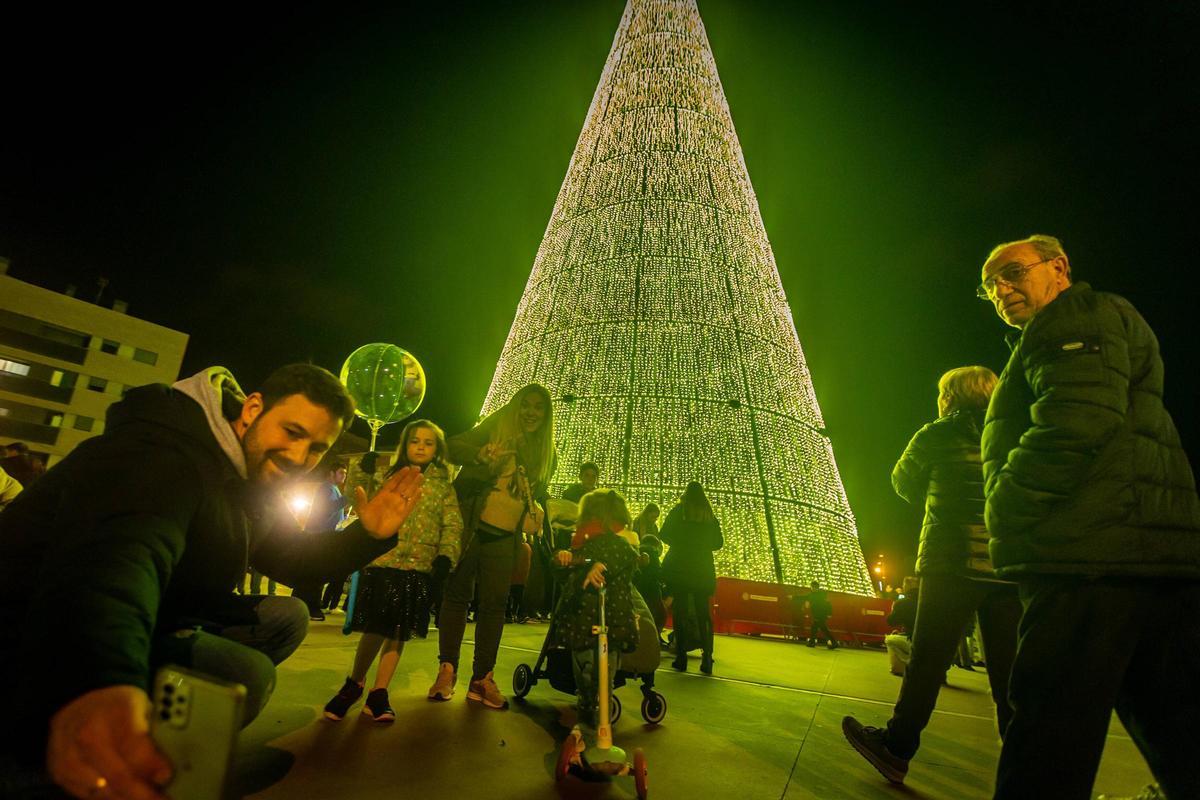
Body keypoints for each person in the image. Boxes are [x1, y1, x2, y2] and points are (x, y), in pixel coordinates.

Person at [0, 364, 424, 799]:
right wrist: (102, 681)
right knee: (244, 674)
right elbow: (116, 562)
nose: (299, 457)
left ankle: (144, 735)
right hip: (33, 630)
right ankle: (79, 757)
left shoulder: (244, 477)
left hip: (152, 613)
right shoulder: (162, 451)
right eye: (292, 431)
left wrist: (366, 536)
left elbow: (295, 560)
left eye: (316, 448)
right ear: (253, 408)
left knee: (287, 615)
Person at [972, 235, 1200, 799]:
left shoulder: (1071, 317)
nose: (1001, 288)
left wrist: (1006, 502)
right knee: (1178, 730)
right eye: (990, 285)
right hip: (1148, 557)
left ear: (1059, 267)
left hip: (1086, 558)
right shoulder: (1107, 318)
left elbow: (1075, 424)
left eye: (1013, 272)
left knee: (1049, 736)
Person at [843, 365, 1022, 785]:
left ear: (950, 397)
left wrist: (941, 495)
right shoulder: (1013, 434)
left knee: (927, 662)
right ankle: (1022, 765)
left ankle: (896, 748)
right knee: (1009, 674)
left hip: (950, 562)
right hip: (1006, 567)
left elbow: (902, 481)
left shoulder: (936, 434)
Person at [324, 420, 462, 723]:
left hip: (418, 567)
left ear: (437, 449)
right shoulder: (389, 475)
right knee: (375, 628)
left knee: (398, 633)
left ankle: (379, 692)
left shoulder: (443, 487)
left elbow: (452, 525)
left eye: (429, 442)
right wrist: (364, 470)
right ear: (405, 444)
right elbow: (359, 500)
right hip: (384, 561)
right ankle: (355, 683)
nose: (421, 447)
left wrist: (445, 557)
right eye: (415, 441)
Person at [429, 384, 556, 709]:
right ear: (516, 406)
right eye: (525, 405)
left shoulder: (547, 453)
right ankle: (447, 670)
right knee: (457, 596)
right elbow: (451, 446)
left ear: (546, 415)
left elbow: (536, 491)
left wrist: (535, 508)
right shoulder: (494, 428)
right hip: (471, 525)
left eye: (538, 408)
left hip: (505, 536)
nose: (531, 412)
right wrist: (479, 454)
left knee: (495, 606)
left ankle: (481, 679)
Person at [549, 489, 640, 728]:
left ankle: (597, 722)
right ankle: (588, 715)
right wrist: (563, 559)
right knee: (587, 672)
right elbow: (563, 573)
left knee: (602, 676)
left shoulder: (619, 545)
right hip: (583, 619)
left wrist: (600, 565)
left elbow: (617, 557)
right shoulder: (580, 544)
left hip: (606, 620)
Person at [660, 481, 723, 674]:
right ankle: (707, 658)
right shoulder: (708, 515)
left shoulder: (679, 511)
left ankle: (681, 657)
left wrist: (681, 543)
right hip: (702, 567)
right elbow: (718, 543)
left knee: (680, 611)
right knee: (703, 612)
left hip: (680, 565)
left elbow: (664, 534)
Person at [290, 461, 351, 621]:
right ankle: (310, 607)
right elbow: (326, 509)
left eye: (345, 473)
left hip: (324, 537)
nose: (344, 476)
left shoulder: (334, 489)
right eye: (341, 473)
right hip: (318, 537)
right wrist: (346, 499)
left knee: (313, 573)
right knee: (314, 573)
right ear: (331, 473)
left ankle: (302, 605)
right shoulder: (326, 488)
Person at [884, 577, 919, 677]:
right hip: (931, 642)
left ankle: (901, 668)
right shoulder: (928, 601)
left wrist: (893, 608)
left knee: (890, 639)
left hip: (914, 641)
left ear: (907, 586)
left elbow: (891, 621)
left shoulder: (903, 602)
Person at [804, 580, 837, 649]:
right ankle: (834, 643)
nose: (812, 588)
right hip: (820, 615)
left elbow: (826, 604)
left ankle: (812, 643)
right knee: (822, 629)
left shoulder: (820, 595)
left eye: (813, 587)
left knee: (816, 629)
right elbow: (828, 604)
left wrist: (828, 613)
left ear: (815, 587)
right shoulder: (818, 594)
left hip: (819, 615)